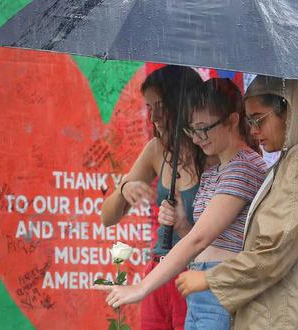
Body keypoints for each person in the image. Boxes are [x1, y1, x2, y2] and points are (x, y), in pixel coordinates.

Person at [175, 76, 298, 329]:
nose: (253, 130)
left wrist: (211, 278)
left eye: (259, 119)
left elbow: (273, 251)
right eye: (249, 120)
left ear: (288, 111)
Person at [96, 78, 267, 330]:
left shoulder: (243, 167)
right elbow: (202, 239)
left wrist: (141, 287)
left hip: (220, 287)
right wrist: (182, 223)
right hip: (198, 285)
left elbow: (199, 239)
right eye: (191, 130)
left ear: (232, 121)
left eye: (204, 129)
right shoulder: (215, 168)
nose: (197, 139)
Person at [100, 65, 205, 330]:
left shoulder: (209, 152)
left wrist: (183, 224)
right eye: (149, 107)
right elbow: (107, 217)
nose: (153, 117)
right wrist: (124, 190)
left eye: (160, 105)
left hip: (195, 277)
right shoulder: (156, 150)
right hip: (158, 274)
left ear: (181, 102)